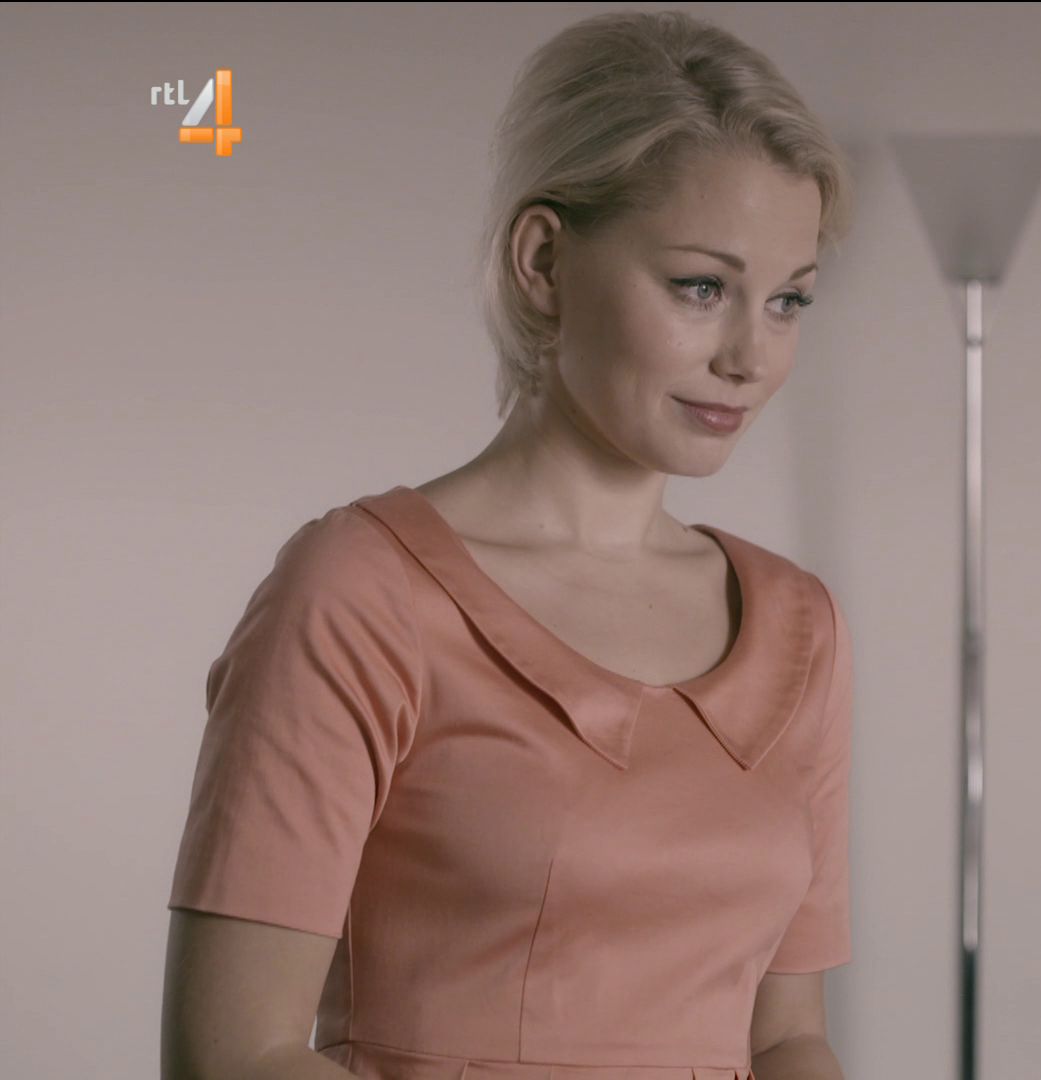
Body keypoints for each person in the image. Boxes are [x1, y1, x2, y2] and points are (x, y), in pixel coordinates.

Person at [159, 11, 857, 1080]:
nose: (750, 355)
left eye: (789, 300)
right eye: (701, 287)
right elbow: (232, 1057)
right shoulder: (362, 590)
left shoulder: (799, 626)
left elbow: (788, 1037)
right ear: (543, 262)